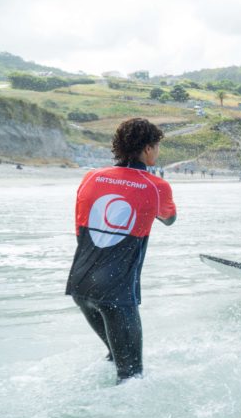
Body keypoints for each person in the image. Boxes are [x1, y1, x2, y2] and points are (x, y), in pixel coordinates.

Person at [65, 118, 177, 384]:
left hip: (81, 287)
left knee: (115, 358)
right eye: (157, 147)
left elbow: (83, 225)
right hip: (116, 294)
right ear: (148, 149)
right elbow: (169, 218)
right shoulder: (156, 186)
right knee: (131, 379)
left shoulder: (91, 176)